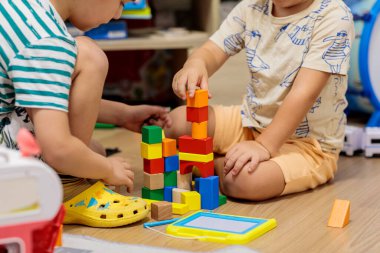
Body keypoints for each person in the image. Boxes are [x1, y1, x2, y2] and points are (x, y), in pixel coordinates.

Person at [166, 0, 354, 201]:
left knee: (244, 181)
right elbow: (213, 50)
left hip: (308, 146)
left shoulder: (334, 16)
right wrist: (195, 64)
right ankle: (212, 160)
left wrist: (264, 145)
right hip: (250, 123)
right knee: (176, 121)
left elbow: (304, 94)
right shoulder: (252, 6)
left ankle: (207, 165)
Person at [0, 0, 172, 201]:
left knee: (92, 151)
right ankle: (67, 183)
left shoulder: (21, 9)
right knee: (89, 55)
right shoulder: (46, 41)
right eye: (121, 3)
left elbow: (39, 96)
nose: (118, 15)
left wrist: (122, 115)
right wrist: (107, 169)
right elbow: (58, 150)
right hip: (7, 171)